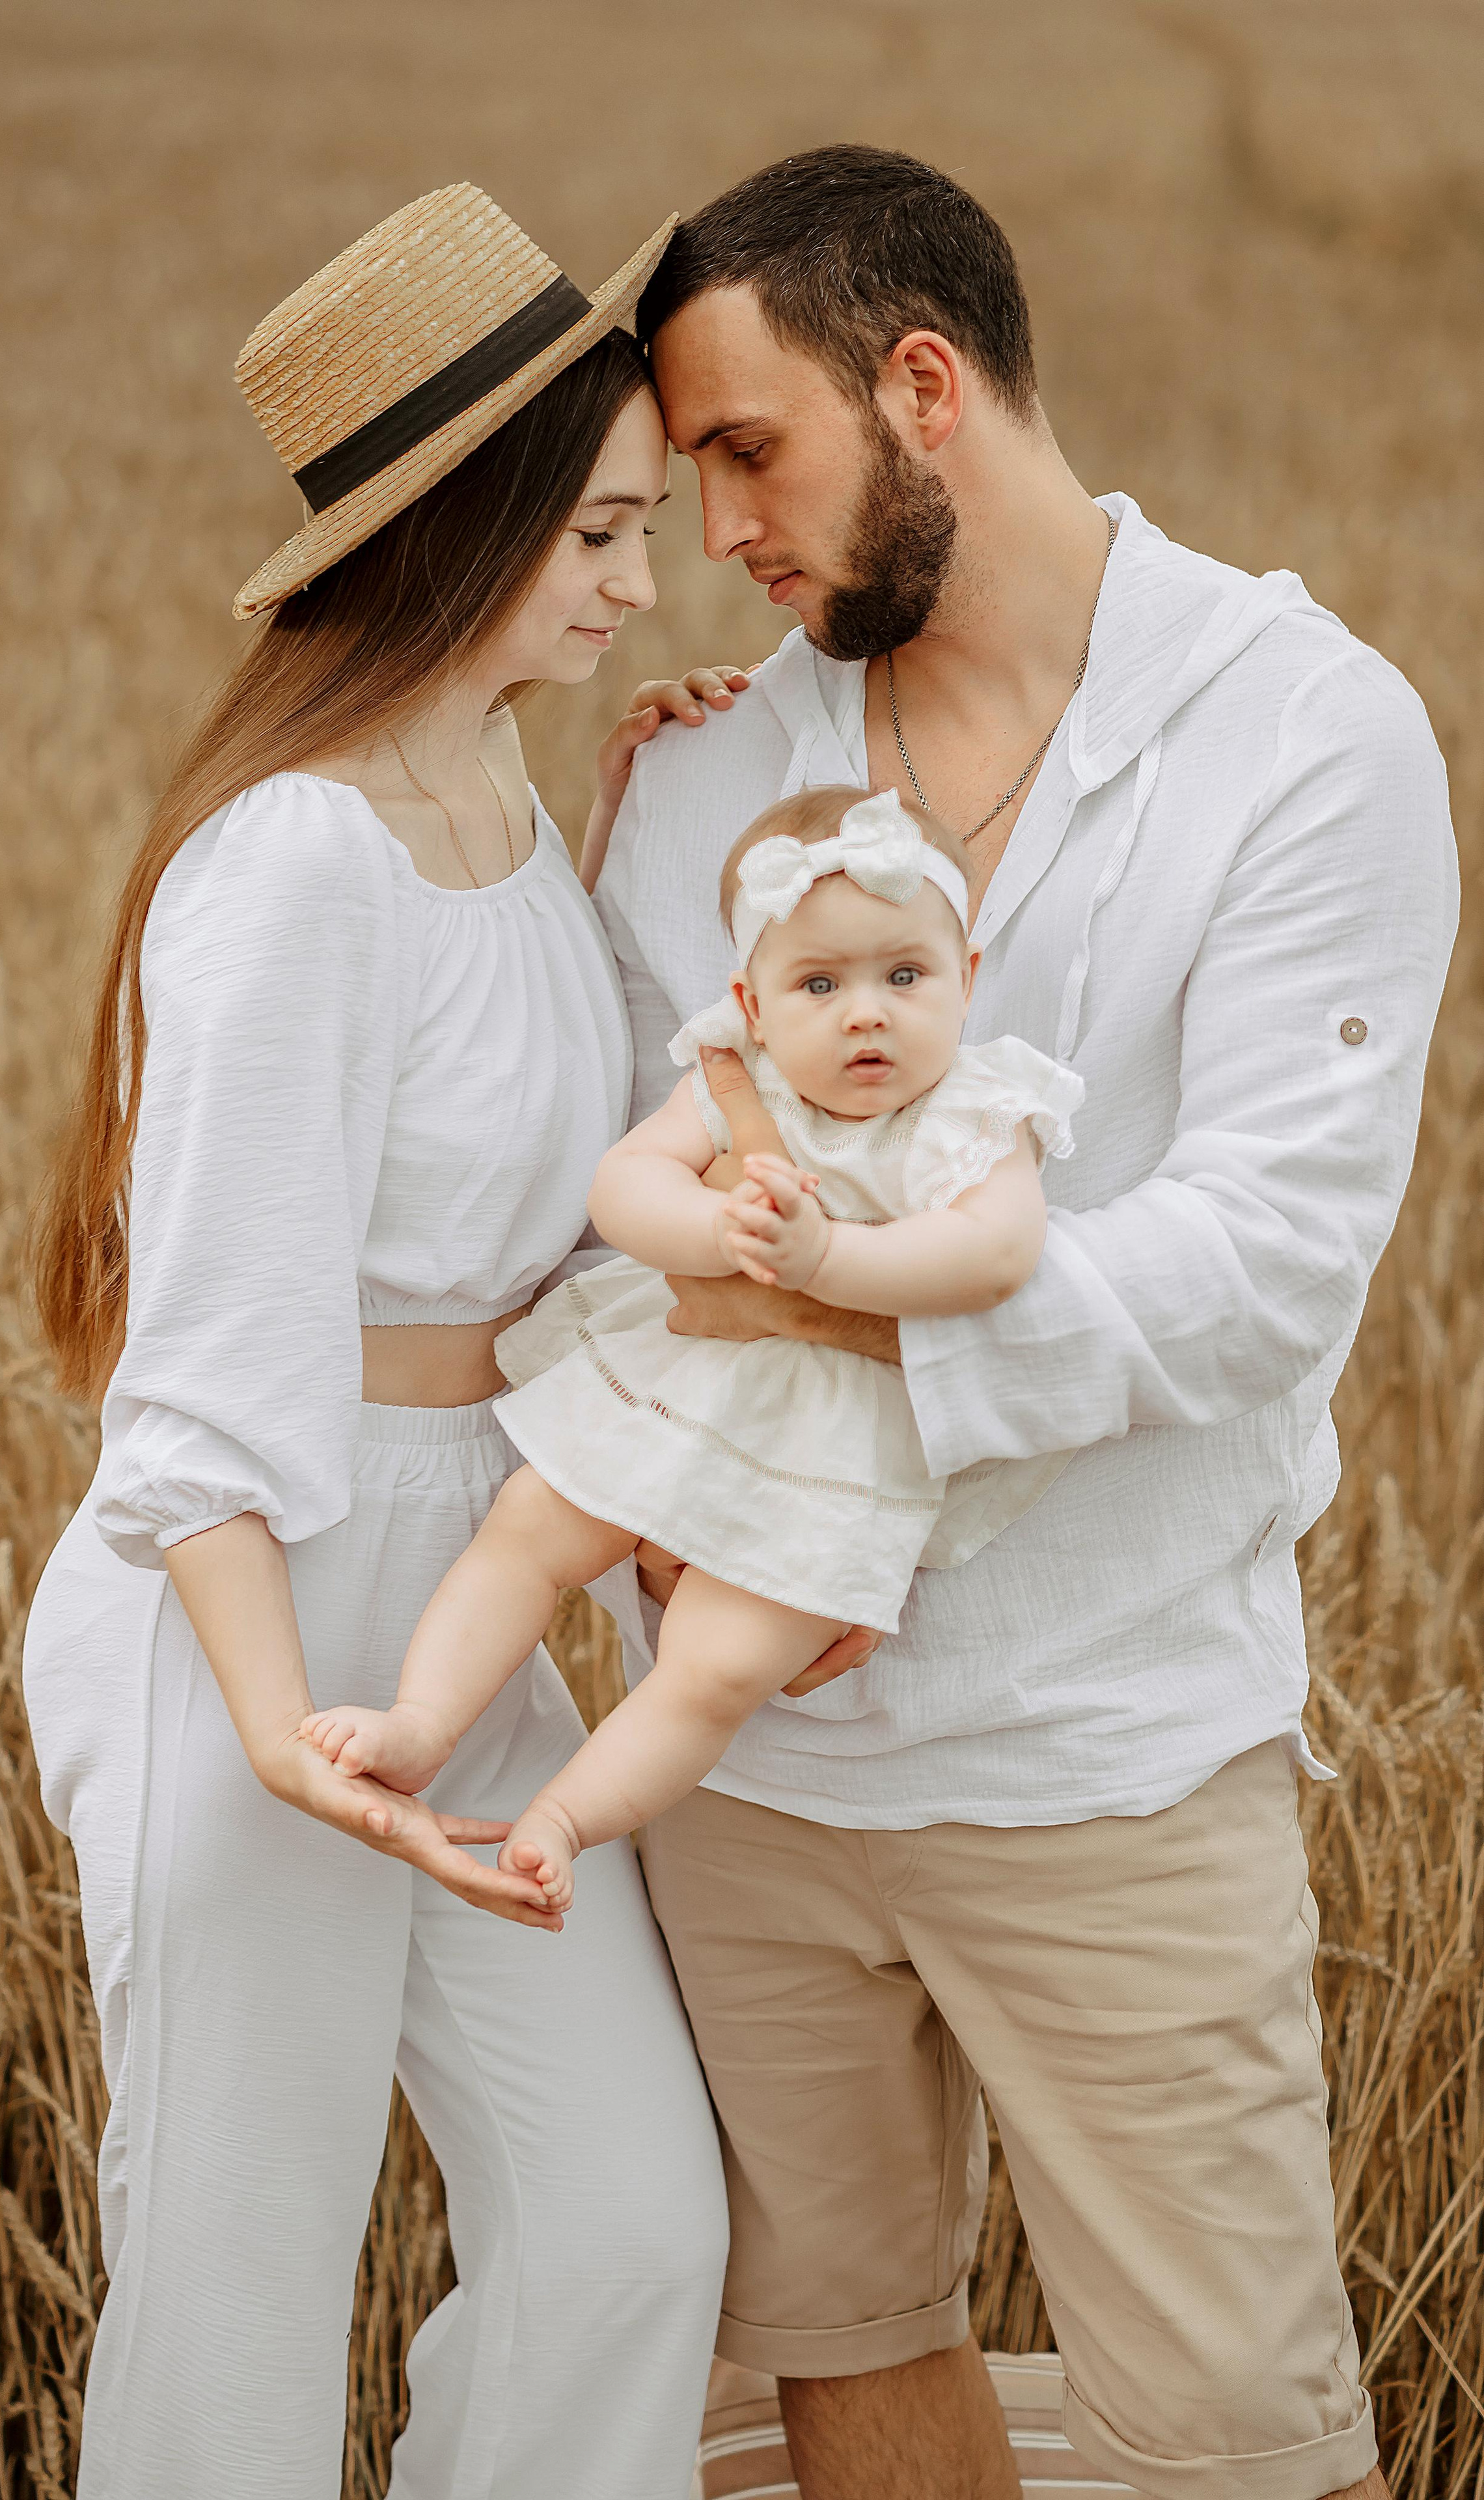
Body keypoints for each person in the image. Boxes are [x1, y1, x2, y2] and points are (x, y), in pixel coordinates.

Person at [590, 146, 1457, 2500]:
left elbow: (1264, 1258)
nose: (718, 535)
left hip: (1113, 1740)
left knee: (1237, 2435)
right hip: (749, 1764)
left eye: (748, 453)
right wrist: (687, 1523)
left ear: (924, 383)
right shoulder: (708, 766)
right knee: (838, 2354)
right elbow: (626, 1196)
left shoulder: (1309, 733)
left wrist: (828, 1371)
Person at [20, 185, 734, 2500]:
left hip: (462, 1614)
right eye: (601, 533)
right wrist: (269, 1728)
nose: (641, 587)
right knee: (237, 2280)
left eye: (644, 531)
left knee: (629, 2230)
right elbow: (204, 1355)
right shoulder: (294, 864)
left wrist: (648, 830)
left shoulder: (504, 798)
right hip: (258, 1620)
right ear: (465, 523)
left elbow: (576, 1171)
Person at [303, 785, 1080, 1913]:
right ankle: (421, 1722)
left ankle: (565, 1819)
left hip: (841, 1439)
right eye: (820, 985)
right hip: (689, 1375)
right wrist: (716, 1231)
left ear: (966, 975)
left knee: (718, 1663)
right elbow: (624, 1186)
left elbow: (998, 1253)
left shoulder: (976, 1110)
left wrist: (824, 1259)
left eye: (905, 976)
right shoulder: (737, 1076)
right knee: (528, 1527)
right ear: (751, 1004)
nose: (866, 1015)